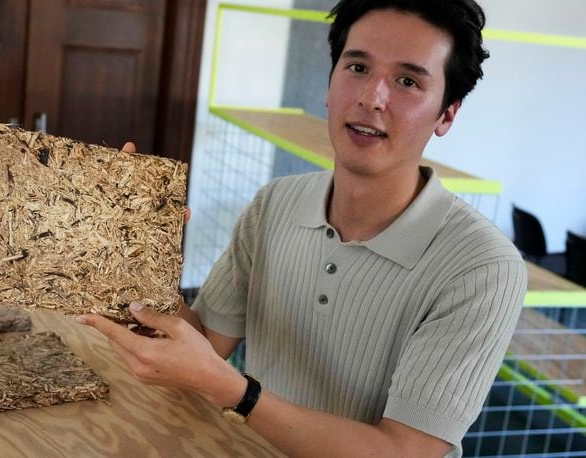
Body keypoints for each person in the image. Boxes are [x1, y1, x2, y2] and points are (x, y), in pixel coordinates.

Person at [77, 0, 527, 456]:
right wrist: (130, 253)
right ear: (330, 85)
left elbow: (404, 451)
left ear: (446, 114)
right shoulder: (275, 203)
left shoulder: (484, 268)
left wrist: (238, 392)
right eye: (357, 67)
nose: (372, 97)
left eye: (407, 81)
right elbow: (203, 346)